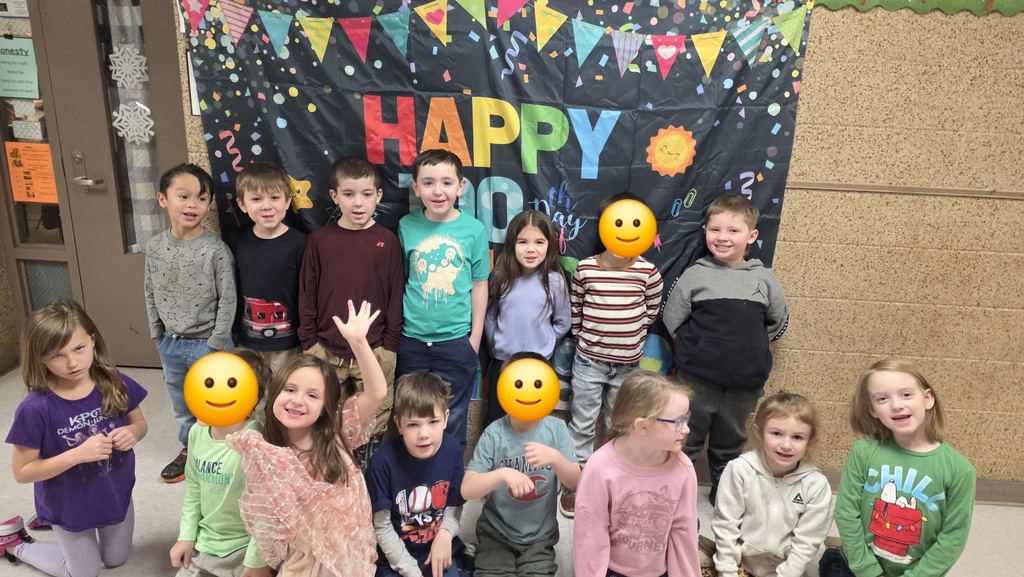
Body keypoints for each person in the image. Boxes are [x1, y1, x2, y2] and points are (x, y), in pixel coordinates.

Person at [225, 301, 387, 576]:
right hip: (302, 555)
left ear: (325, 407)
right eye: (289, 389)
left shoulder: (337, 432)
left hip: (346, 556)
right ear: (275, 394)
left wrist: (359, 343)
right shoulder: (268, 450)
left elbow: (377, 393)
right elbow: (266, 515)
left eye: (312, 395)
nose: (297, 400)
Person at [2, 300, 148, 577]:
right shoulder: (35, 408)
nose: (72, 363)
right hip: (68, 504)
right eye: (57, 355)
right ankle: (17, 544)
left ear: (93, 341)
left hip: (115, 492)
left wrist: (133, 433)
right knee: (83, 573)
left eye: (79, 348)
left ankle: (52, 526)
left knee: (116, 559)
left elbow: (139, 423)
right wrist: (78, 455)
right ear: (40, 358)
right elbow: (22, 472)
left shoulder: (113, 382)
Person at [662, 194, 788, 504]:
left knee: (731, 438)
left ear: (752, 236)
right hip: (697, 378)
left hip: (744, 382)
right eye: (715, 229)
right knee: (687, 433)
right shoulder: (695, 275)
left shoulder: (763, 279)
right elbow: (672, 318)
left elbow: (779, 321)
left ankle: (723, 484)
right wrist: (697, 349)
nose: (722, 237)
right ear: (705, 231)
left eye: (733, 230)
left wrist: (748, 347)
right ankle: (677, 486)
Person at [299, 156, 403, 467]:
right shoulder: (319, 241)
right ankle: (329, 471)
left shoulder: (387, 241)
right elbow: (307, 293)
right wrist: (309, 342)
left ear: (378, 196)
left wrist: (389, 346)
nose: (358, 203)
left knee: (375, 417)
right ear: (334, 196)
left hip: (375, 350)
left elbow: (395, 295)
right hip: (325, 349)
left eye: (366, 194)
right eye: (348, 194)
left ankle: (365, 473)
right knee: (325, 417)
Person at [827, 359, 975, 577]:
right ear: (873, 409)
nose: (896, 405)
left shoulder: (960, 470)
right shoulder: (863, 450)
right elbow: (846, 513)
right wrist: (868, 571)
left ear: (927, 399)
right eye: (882, 398)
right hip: (859, 567)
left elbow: (953, 536)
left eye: (906, 394)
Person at [564, 192, 663, 516]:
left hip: (628, 366)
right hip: (589, 362)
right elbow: (576, 308)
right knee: (582, 423)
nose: (627, 231)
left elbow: (651, 310)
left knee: (618, 423)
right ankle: (576, 483)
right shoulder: (586, 269)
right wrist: (585, 337)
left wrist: (630, 336)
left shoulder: (648, 272)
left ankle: (612, 480)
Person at [145, 163, 237, 483]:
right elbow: (150, 288)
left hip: (209, 343)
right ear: (162, 199)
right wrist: (157, 333)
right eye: (183, 196)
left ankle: (222, 452)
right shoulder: (155, 247)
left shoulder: (215, 251)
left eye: (201, 198)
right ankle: (190, 449)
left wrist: (216, 342)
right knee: (182, 403)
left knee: (218, 403)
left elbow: (228, 299)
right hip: (170, 342)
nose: (192, 205)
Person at [396, 149, 489, 449]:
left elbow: (480, 285)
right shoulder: (406, 226)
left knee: (454, 415)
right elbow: (403, 279)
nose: (438, 191)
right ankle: (414, 473)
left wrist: (474, 339)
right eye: (428, 183)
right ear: (415, 187)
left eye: (447, 182)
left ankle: (449, 475)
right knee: (412, 413)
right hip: (412, 341)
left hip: (456, 342)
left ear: (461, 186)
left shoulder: (474, 230)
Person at [462, 353, 581, 577]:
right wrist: (502, 474)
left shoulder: (556, 429)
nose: (528, 392)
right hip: (496, 533)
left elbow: (576, 482)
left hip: (540, 538)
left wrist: (556, 458)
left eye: (537, 384)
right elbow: (467, 489)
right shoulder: (494, 433)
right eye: (518, 384)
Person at [572, 371, 700, 577]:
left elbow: (684, 533)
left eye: (686, 418)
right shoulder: (599, 469)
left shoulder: (683, 468)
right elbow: (590, 540)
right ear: (642, 425)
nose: (686, 429)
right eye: (678, 421)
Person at [169, 347, 272, 577]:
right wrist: (186, 536)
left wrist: (256, 562)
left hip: (243, 548)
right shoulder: (196, 432)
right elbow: (194, 487)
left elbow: (265, 510)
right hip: (204, 542)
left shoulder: (257, 443)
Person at [711, 392, 832, 577]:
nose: (786, 445)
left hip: (785, 569)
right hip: (740, 562)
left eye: (797, 437)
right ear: (759, 432)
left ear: (811, 440)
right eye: (776, 433)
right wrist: (727, 571)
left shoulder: (816, 485)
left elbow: (807, 542)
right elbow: (725, 525)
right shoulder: (739, 470)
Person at [365, 373, 466, 577]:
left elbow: (454, 505)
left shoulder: (453, 450)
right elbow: (382, 526)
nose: (424, 434)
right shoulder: (382, 462)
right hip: (394, 556)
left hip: (436, 547)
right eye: (413, 424)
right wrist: (412, 571)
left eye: (433, 422)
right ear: (398, 424)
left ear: (446, 418)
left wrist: (446, 534)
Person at [483, 211, 571, 426]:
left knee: (534, 417)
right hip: (503, 361)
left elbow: (563, 321)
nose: (531, 249)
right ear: (512, 244)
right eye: (523, 242)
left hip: (539, 362)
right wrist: (497, 345)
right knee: (496, 416)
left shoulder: (555, 281)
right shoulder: (500, 277)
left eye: (539, 242)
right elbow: (490, 316)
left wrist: (547, 342)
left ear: (549, 245)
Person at [232, 162, 307, 372]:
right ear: (242, 204)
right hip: (248, 342)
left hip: (289, 343)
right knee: (252, 390)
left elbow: (308, 293)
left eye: (274, 198)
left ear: (288, 201)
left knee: (284, 388)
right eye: (256, 199)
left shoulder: (301, 243)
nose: (267, 206)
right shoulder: (237, 240)